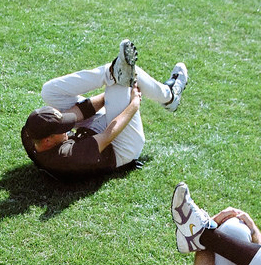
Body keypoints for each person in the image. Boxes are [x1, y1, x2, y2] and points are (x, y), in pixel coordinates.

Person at [21, 39, 188, 177]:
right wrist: (134, 103)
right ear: (48, 141)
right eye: (62, 128)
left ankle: (110, 73)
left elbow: (79, 113)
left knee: (49, 91)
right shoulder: (66, 156)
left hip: (92, 132)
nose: (67, 128)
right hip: (121, 148)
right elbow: (108, 135)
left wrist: (108, 88)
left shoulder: (30, 134)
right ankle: (169, 96)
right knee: (121, 83)